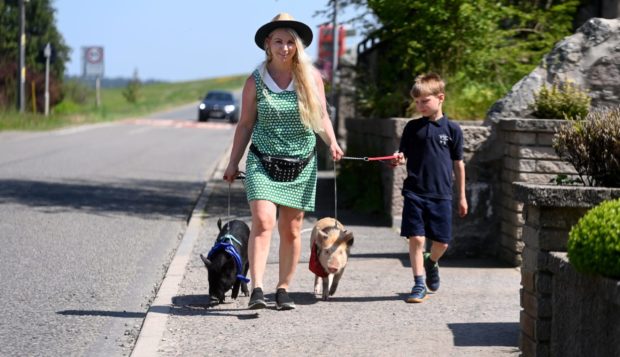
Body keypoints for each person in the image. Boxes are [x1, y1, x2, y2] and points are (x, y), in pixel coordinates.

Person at [223, 13, 343, 310]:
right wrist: (232, 161)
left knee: (291, 228)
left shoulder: (311, 78)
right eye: (279, 41)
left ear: (297, 46)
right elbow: (246, 124)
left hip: (301, 163)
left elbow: (322, 117)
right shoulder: (256, 80)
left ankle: (283, 288)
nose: (285, 47)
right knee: (263, 221)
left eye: (290, 42)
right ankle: (258, 289)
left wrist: (334, 143)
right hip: (262, 161)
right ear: (268, 44)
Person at [391, 73, 468, 303]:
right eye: (417, 102)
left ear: (440, 98)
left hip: (442, 194)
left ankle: (431, 262)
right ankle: (418, 283)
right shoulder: (412, 128)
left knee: (442, 242)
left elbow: (459, 164)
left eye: (425, 101)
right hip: (415, 191)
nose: (420, 106)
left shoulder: (453, 130)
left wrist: (461, 196)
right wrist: (397, 158)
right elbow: (402, 154)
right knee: (416, 238)